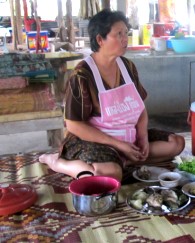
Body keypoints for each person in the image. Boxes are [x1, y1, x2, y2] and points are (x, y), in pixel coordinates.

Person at [39, 9, 185, 181]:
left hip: (128, 136)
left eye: (126, 33)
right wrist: (118, 145)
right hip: (94, 140)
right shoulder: (82, 76)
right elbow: (73, 125)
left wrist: (143, 137)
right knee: (111, 174)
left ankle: (124, 160)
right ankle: (58, 162)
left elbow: (139, 107)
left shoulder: (127, 67)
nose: (125, 39)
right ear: (100, 39)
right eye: (119, 34)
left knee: (177, 143)